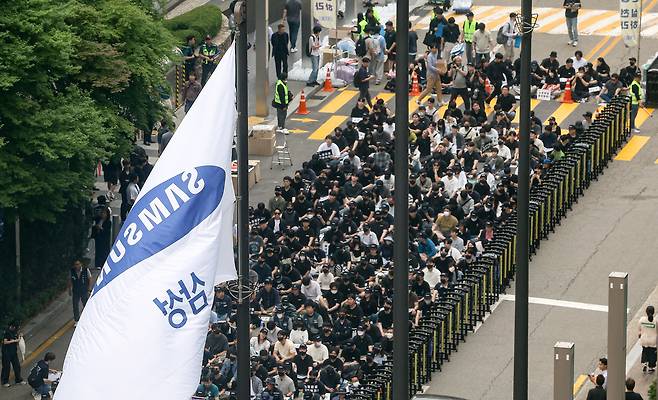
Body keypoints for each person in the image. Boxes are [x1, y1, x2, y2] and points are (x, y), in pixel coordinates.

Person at [68, 260, 92, 324]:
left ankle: (88, 318)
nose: (77, 266)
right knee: (75, 306)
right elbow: (70, 280)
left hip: (84, 290)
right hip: (76, 291)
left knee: (85, 304)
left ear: (81, 264)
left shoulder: (85, 270)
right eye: (76, 264)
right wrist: (69, 289)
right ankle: (77, 320)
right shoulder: (72, 271)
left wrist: (89, 288)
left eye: (78, 264)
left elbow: (89, 278)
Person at [1, 321, 24, 387]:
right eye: (15, 328)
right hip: (6, 352)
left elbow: (16, 337)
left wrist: (20, 336)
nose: (16, 329)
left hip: (13, 352)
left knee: (17, 366)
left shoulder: (14, 331)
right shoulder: (7, 332)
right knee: (6, 367)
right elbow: (5, 342)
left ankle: (18, 380)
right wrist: (14, 341)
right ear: (12, 326)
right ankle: (4, 381)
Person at [639, 305, 657, 373]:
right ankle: (651, 367)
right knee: (652, 354)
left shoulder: (642, 319)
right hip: (653, 341)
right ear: (653, 312)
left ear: (646, 312)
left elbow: (639, 330)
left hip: (644, 340)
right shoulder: (655, 321)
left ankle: (645, 363)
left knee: (645, 351)